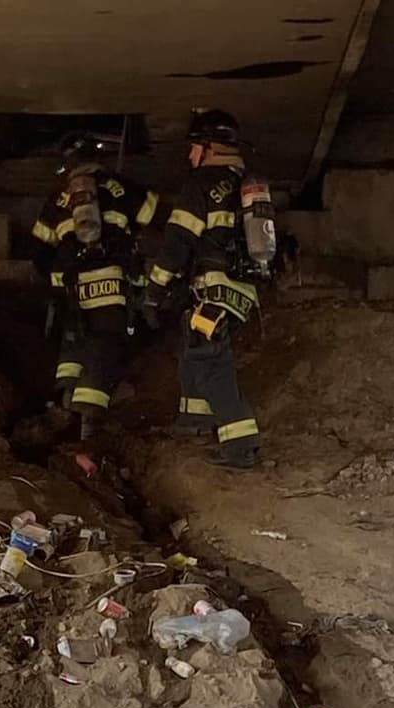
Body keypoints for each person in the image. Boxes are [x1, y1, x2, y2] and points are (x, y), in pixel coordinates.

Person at [143, 109, 261, 469]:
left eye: (194, 148)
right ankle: (195, 419)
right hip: (242, 291)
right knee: (192, 347)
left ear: (209, 148)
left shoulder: (202, 184)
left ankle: (241, 446)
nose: (189, 156)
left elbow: (178, 241)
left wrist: (154, 289)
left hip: (214, 290)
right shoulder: (242, 184)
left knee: (211, 364)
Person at [31, 132, 160, 467]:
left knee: (73, 349)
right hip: (112, 289)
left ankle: (62, 414)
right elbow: (156, 214)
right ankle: (89, 437)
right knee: (104, 351)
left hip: (73, 293)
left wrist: (57, 285)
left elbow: (38, 251)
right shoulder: (119, 188)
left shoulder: (57, 200)